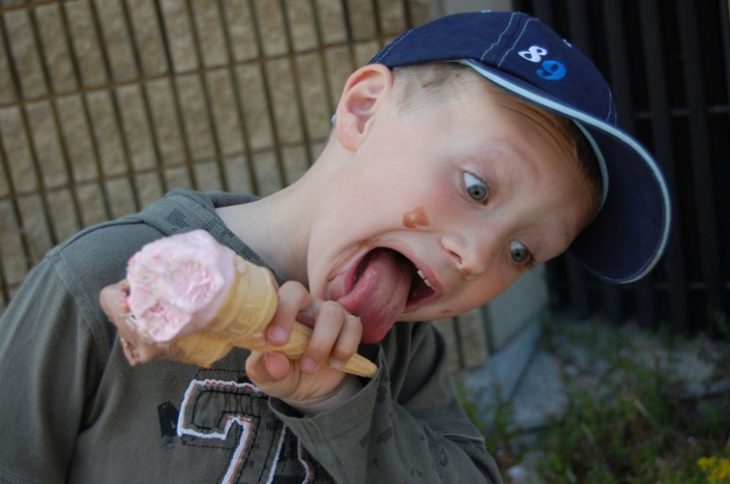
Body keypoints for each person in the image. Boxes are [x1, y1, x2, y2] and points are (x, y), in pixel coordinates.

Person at [0, 11, 670, 483]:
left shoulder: (404, 360)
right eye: (475, 186)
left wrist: (337, 401)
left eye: (523, 253)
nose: (479, 257)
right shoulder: (92, 281)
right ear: (363, 110)